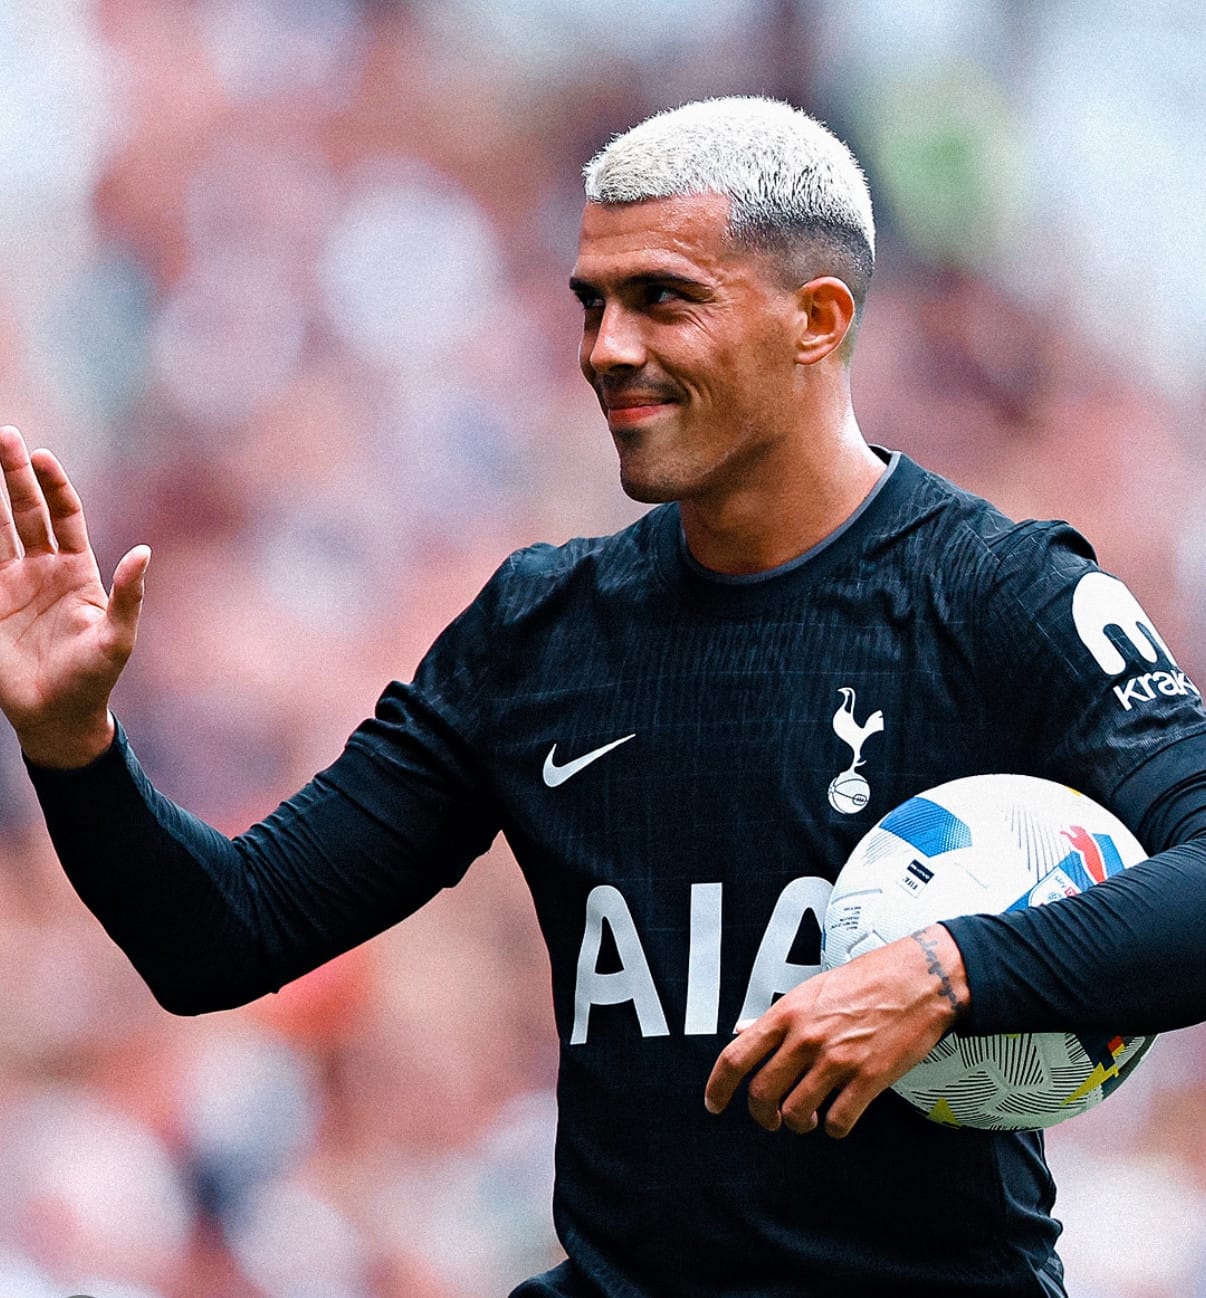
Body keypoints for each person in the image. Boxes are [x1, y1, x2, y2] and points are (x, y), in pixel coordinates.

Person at [2, 95, 1206, 1298]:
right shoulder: (537, 631)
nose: (605, 348)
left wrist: (954, 968)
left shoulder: (1000, 593)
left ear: (816, 321)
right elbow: (223, 933)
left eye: (663, 298)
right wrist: (74, 749)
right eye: (592, 301)